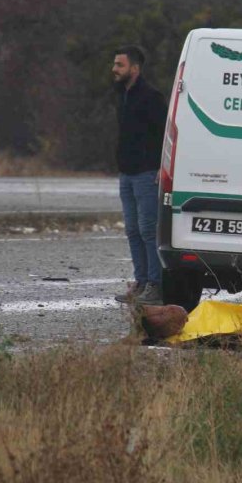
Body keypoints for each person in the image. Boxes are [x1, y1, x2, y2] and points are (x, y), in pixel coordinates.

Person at [112, 45, 167, 304]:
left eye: (120, 65)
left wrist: (162, 166)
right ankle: (141, 281)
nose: (114, 69)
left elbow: (165, 133)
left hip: (146, 174)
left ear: (135, 68)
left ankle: (155, 285)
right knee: (132, 230)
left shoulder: (151, 97)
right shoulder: (122, 94)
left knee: (147, 230)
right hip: (126, 174)